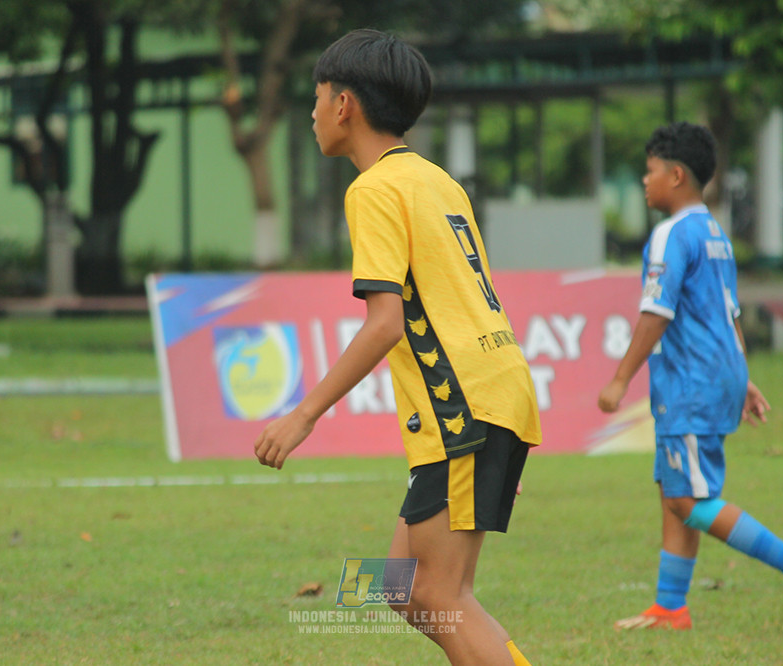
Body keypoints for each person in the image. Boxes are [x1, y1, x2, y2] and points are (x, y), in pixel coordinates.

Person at [253, 29, 541, 665]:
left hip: (462, 407)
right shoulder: (434, 180)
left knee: (442, 594)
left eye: (317, 96)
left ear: (345, 104)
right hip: (492, 395)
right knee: (401, 587)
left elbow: (384, 323)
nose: (312, 112)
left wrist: (303, 414)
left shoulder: (374, 190)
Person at [597, 122, 783, 631]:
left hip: (689, 383)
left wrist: (619, 379)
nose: (643, 180)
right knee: (674, 491)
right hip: (716, 373)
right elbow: (725, 312)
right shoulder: (713, 233)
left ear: (676, 175)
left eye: (650, 171)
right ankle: (670, 607)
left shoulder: (671, 235)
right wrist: (741, 376)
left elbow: (657, 312)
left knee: (686, 497)